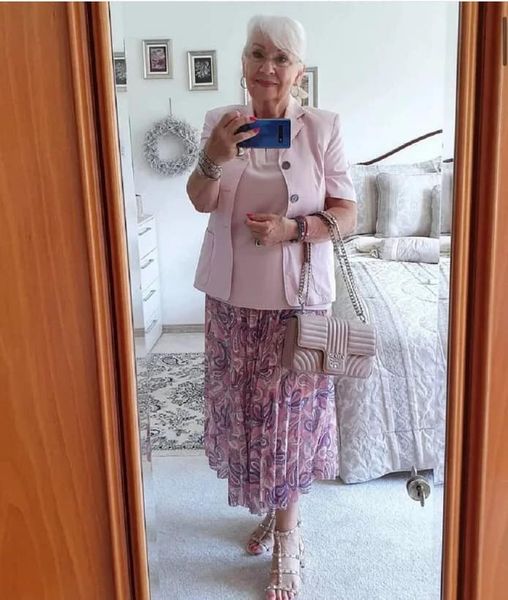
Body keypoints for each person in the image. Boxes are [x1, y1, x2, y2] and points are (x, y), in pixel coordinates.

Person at [186, 14, 357, 600]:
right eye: (258, 53)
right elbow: (201, 199)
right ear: (242, 63)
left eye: (281, 58)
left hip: (299, 304)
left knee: (290, 421)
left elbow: (349, 214)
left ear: (299, 72)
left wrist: (294, 229)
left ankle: (289, 534)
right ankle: (272, 507)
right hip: (231, 300)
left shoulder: (323, 128)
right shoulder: (220, 122)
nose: (268, 67)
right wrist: (213, 154)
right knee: (248, 416)